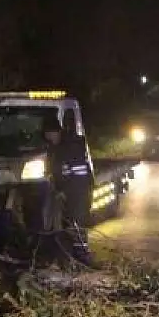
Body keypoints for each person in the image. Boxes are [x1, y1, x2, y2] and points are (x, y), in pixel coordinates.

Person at [44, 114, 93, 266]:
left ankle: (82, 257)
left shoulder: (72, 147)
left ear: (55, 132)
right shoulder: (56, 147)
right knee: (66, 225)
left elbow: (79, 175)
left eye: (48, 134)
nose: (47, 137)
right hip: (65, 192)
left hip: (78, 192)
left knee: (76, 224)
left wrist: (65, 191)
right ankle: (68, 257)